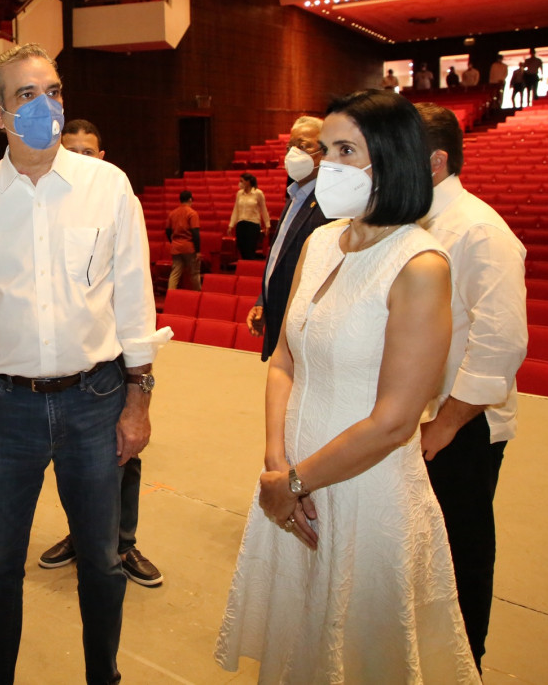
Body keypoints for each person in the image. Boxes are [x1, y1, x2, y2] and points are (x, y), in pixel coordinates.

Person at [214, 89, 478, 683]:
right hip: (292, 477)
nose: (325, 164)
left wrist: (296, 482)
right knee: (300, 644)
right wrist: (277, 464)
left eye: (344, 151)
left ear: (390, 160)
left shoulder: (420, 265)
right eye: (324, 150)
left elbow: (395, 420)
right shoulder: (319, 242)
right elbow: (284, 360)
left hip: (364, 488)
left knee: (359, 654)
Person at [0, 43, 167, 685]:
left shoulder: (107, 186)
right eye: (27, 95)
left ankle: (103, 676)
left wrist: (138, 402)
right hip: (1, 409)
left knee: (102, 562)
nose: (47, 105)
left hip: (95, 401)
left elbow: (134, 302)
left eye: (54, 91)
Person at [416, 102, 527, 672]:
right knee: (419, 553)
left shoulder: (480, 230)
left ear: (435, 162)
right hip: (417, 418)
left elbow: (500, 342)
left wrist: (447, 423)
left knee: (459, 554)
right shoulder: (414, 224)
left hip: (462, 423)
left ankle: (464, 666)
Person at [39, 121, 163, 589]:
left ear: (103, 155)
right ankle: (82, 536)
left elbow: (135, 294)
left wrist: (139, 383)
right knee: (71, 461)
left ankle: (123, 543)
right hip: (66, 366)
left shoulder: (118, 199)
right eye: (70, 150)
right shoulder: (46, 206)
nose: (79, 158)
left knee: (121, 455)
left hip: (114, 362)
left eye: (87, 151)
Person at [247, 117, 332, 360]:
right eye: (289, 147)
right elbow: (279, 256)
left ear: (324, 152)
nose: (293, 153)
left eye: (302, 146)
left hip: (305, 331)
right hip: (279, 318)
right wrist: (264, 301)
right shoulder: (295, 196)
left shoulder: (329, 203)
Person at [228, 173, 270, 261]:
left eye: (241, 181)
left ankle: (249, 266)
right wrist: (231, 225)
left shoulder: (258, 193)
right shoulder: (239, 194)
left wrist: (267, 224)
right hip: (241, 224)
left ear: (248, 182)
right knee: (242, 248)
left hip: (253, 225)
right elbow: (236, 209)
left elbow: (263, 209)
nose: (240, 183)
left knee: (250, 250)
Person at [166, 190, 202, 291]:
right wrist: (198, 251)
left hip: (176, 247)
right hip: (189, 247)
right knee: (194, 273)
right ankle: (198, 294)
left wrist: (173, 242)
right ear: (190, 199)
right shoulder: (192, 213)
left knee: (175, 273)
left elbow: (168, 231)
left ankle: (170, 294)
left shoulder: (172, 213)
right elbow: (195, 233)